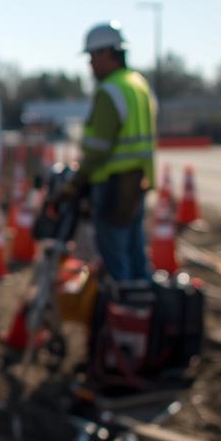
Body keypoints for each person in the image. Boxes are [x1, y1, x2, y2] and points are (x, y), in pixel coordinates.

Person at [59, 22, 157, 282]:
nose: (90, 65)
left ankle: (123, 313)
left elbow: (99, 148)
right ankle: (143, 312)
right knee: (135, 252)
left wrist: (75, 183)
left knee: (115, 258)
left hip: (112, 186)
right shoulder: (137, 84)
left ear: (105, 54)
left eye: (92, 57)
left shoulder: (110, 90)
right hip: (137, 182)